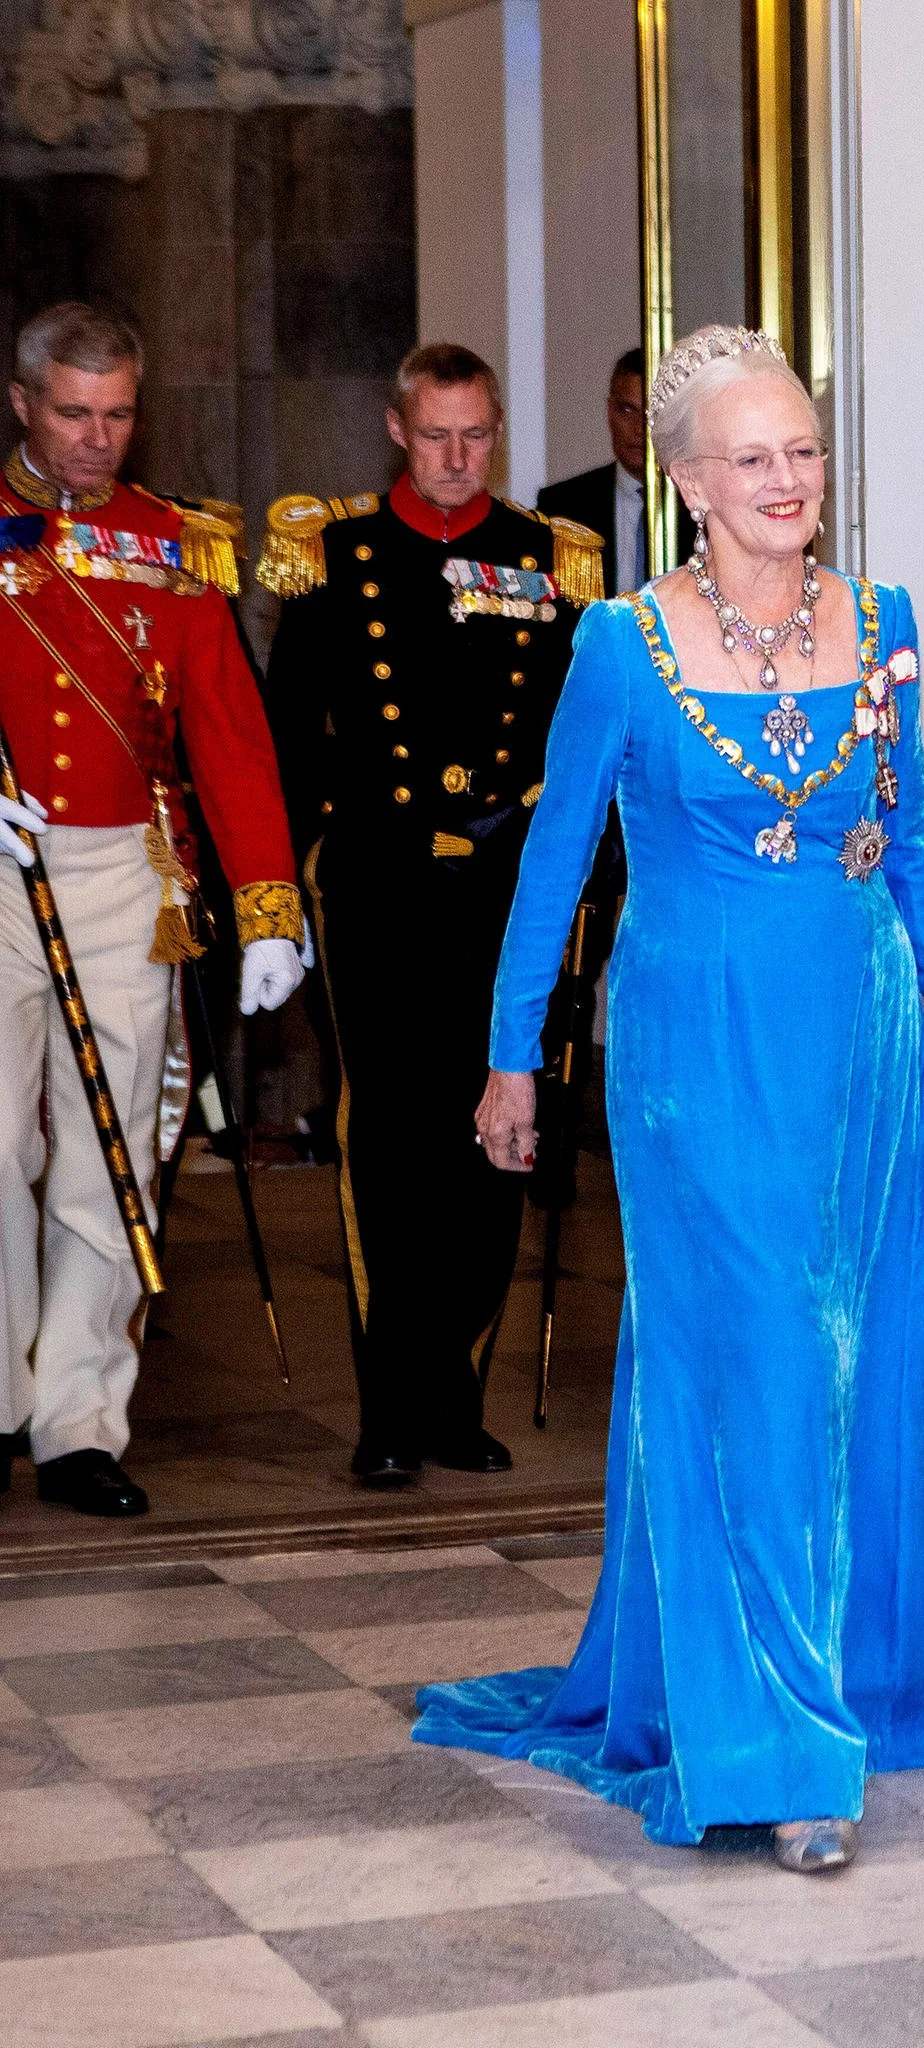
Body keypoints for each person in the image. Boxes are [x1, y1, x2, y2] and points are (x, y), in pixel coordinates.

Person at [412, 325, 924, 1873]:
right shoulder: (622, 642)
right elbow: (555, 860)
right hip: (694, 1038)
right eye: (752, 457)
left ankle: (871, 1685)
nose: (787, 479)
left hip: (857, 1032)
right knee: (756, 1357)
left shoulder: (882, 622)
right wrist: (510, 1048)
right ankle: (777, 1749)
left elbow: (910, 835)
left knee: (860, 1360)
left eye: (802, 449)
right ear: (684, 482)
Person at [260, 342, 604, 1489]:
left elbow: (575, 733)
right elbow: (288, 728)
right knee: (393, 1138)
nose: (459, 460)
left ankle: (456, 1391)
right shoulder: (335, 552)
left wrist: (586, 873)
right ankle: (390, 1403)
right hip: (381, 885)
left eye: (479, 436)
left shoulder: (548, 559)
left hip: (504, 889)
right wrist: (298, 870)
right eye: (437, 435)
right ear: (397, 428)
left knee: (495, 1134)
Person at [0, 300, 306, 1518]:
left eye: (118, 413)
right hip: (2, 867)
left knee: (110, 1144)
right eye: (73, 413)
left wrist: (270, 901)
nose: (96, 439)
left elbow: (228, 730)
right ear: (23, 401)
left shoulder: (178, 543)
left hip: (128, 865)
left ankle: (76, 1417)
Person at [537, 347, 645, 597]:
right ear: (609, 412)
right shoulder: (562, 507)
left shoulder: (703, 506)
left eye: (651, 412)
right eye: (627, 411)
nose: (639, 428)